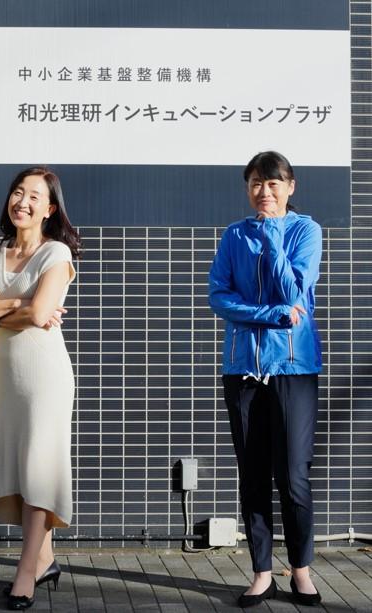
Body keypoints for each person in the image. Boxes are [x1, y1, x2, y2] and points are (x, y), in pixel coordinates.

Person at [208, 151, 323, 608]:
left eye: (274, 183)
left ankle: (301, 572)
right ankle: (261, 573)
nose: (264, 192)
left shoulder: (306, 231)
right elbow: (219, 296)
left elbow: (296, 291)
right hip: (243, 371)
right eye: (256, 183)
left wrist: (273, 235)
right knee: (253, 474)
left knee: (293, 475)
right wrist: (270, 314)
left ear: (290, 187)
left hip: (293, 368)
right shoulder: (234, 234)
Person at [0, 167, 81, 610]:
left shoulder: (57, 253)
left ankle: (26, 573)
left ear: (50, 209)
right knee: (21, 466)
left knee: (38, 468)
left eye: (34, 196)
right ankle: (46, 560)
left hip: (45, 377)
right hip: (9, 379)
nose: (23, 202)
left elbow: (40, 315)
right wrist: (18, 302)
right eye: (18, 192)